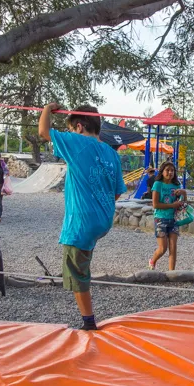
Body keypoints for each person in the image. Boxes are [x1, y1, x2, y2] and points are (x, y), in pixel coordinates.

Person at [38, 103, 126, 331]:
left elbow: (44, 132)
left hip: (81, 223)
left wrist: (48, 108)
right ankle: (87, 319)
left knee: (77, 272)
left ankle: (89, 323)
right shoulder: (111, 153)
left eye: (71, 128)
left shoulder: (76, 142)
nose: (70, 132)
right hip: (103, 220)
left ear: (79, 126)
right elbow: (117, 191)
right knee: (83, 259)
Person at [149, 161, 187, 271]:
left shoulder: (177, 185)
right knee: (163, 248)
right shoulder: (158, 184)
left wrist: (184, 193)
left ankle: (171, 273)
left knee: (173, 247)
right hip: (160, 218)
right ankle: (152, 261)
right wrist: (172, 205)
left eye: (172, 170)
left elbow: (183, 204)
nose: (170, 172)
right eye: (167, 170)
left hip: (174, 219)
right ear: (162, 171)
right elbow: (155, 204)